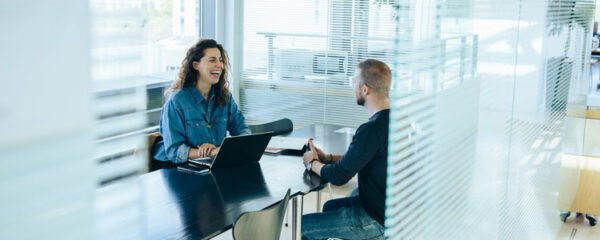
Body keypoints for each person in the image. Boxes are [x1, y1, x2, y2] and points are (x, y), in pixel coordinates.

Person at [301, 59, 391, 240]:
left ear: (365, 89)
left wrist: (313, 163)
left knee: (302, 227)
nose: (352, 87)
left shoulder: (371, 130)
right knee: (330, 208)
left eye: (354, 82)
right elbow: (367, 156)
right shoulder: (392, 120)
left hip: (374, 219)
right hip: (388, 211)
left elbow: (339, 176)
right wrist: (328, 157)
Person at [153, 39, 250, 166]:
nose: (219, 65)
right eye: (212, 60)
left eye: (221, 60)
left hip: (210, 164)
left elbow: (242, 130)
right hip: (176, 168)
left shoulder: (225, 97)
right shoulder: (176, 102)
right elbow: (174, 151)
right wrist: (209, 152)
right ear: (196, 65)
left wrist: (226, 148)